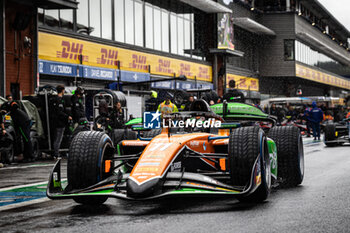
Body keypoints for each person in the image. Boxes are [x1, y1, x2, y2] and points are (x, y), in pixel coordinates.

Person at [51, 85, 72, 159]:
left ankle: (56, 153)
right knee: (58, 139)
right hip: (59, 123)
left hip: (56, 122)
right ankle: (56, 154)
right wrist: (67, 116)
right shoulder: (59, 100)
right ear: (62, 90)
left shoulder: (56, 99)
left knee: (57, 138)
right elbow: (59, 112)